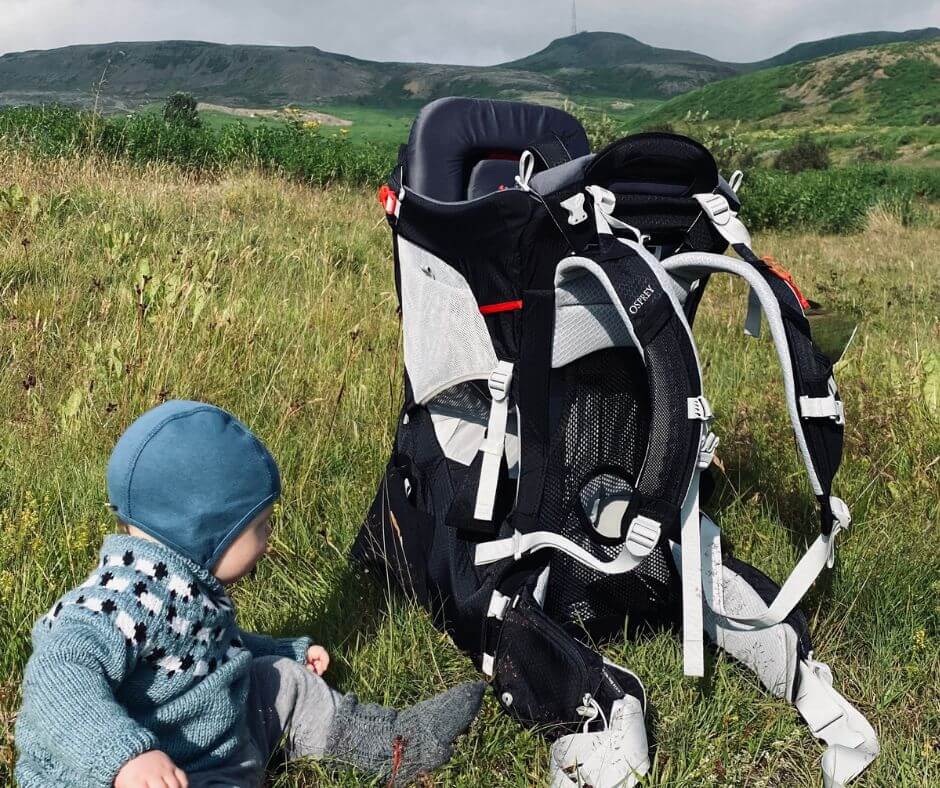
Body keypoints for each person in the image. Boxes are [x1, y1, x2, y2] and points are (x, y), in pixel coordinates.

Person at [15, 400, 484, 788]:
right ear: (208, 533)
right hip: (148, 773)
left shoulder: (181, 582)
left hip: (212, 737)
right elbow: (57, 676)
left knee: (285, 682)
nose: (269, 539)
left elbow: (210, 649)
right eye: (259, 526)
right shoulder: (118, 603)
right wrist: (126, 758)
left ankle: (394, 743)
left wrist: (284, 651)